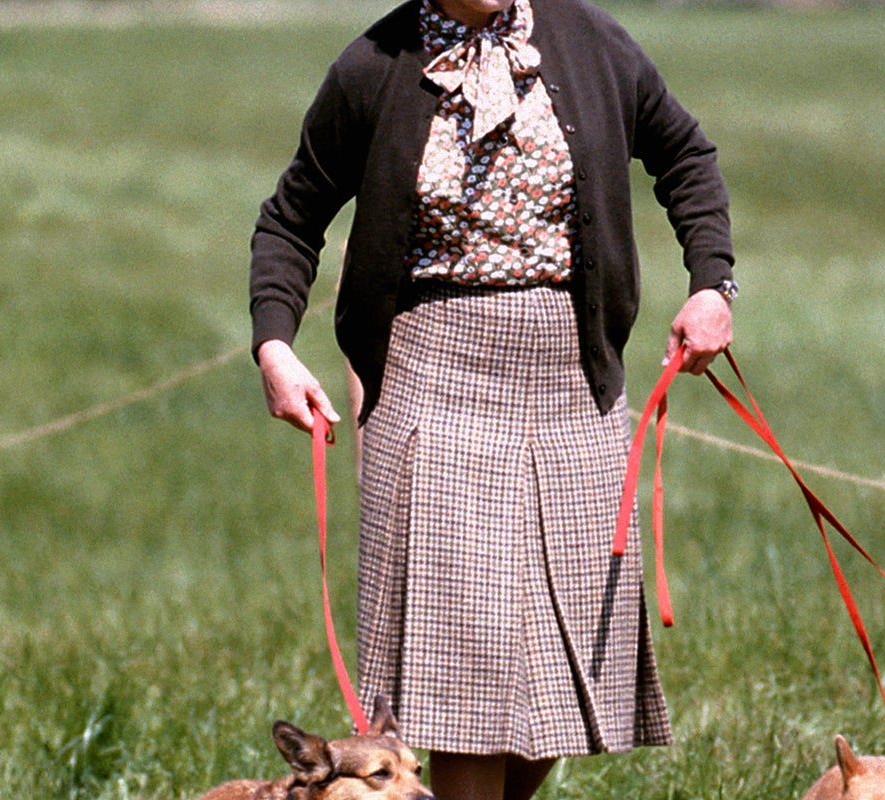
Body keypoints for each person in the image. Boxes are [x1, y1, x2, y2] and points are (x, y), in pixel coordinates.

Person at [249, 0, 736, 798]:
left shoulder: (590, 41)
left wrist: (712, 284)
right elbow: (291, 219)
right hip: (434, 381)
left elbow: (686, 156)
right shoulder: (374, 67)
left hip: (574, 381)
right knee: (466, 680)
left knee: (563, 677)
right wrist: (275, 343)